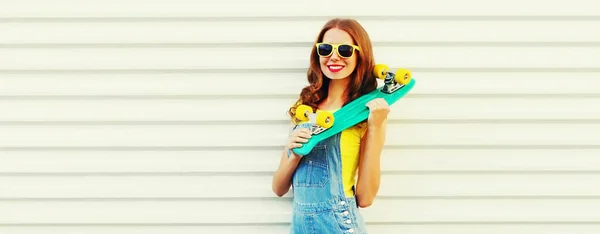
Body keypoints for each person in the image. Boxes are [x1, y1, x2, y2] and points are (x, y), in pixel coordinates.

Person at [271, 18, 390, 234]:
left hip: (339, 225)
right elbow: (278, 188)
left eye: (344, 50)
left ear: (360, 55)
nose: (333, 56)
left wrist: (375, 128)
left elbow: (365, 198)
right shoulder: (306, 107)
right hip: (299, 226)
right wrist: (294, 155)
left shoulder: (365, 114)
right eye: (325, 49)